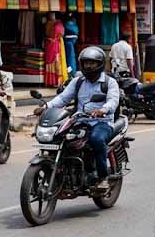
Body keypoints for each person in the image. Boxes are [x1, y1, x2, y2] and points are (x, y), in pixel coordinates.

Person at [33, 47, 120, 190]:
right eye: (86, 63)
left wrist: (102, 110)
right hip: (80, 120)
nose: (89, 66)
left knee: (96, 140)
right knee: (62, 137)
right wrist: (46, 107)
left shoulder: (109, 82)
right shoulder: (78, 82)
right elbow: (63, 98)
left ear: (100, 64)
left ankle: (103, 177)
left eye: (92, 63)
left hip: (102, 122)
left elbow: (113, 101)